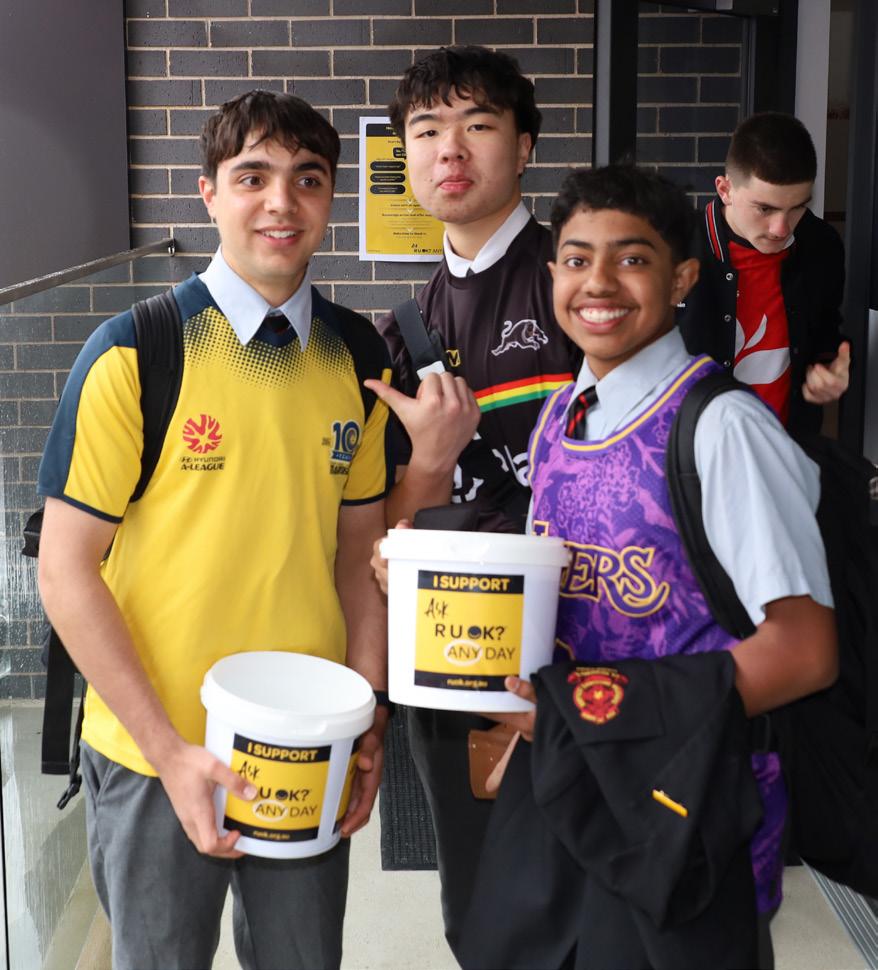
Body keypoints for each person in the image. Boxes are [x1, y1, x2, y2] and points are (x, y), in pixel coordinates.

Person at [36, 91, 392, 970]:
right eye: (252, 177)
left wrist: (367, 714)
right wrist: (168, 750)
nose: (282, 202)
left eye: (308, 179)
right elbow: (65, 570)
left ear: (332, 197)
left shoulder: (358, 358)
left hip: (306, 743)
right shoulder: (136, 352)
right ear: (208, 193)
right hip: (154, 750)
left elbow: (361, 560)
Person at [460, 165, 837, 969]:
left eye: (632, 258)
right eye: (576, 259)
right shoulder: (560, 417)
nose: (598, 282)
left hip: (684, 806)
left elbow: (805, 651)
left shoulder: (722, 428)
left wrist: (594, 715)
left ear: (682, 279)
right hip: (569, 789)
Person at [364, 45, 581, 956]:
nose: (449, 149)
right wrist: (427, 463)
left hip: (587, 653)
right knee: (483, 906)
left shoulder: (581, 282)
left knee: (597, 898)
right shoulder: (401, 331)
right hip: (454, 656)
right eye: (426, 131)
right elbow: (384, 530)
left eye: (478, 124)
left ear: (524, 146)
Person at [679, 111, 849, 437]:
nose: (781, 229)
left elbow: (826, 329)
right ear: (725, 190)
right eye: (765, 209)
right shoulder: (676, 248)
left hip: (783, 448)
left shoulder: (821, 245)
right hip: (690, 451)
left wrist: (829, 367)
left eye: (797, 207)